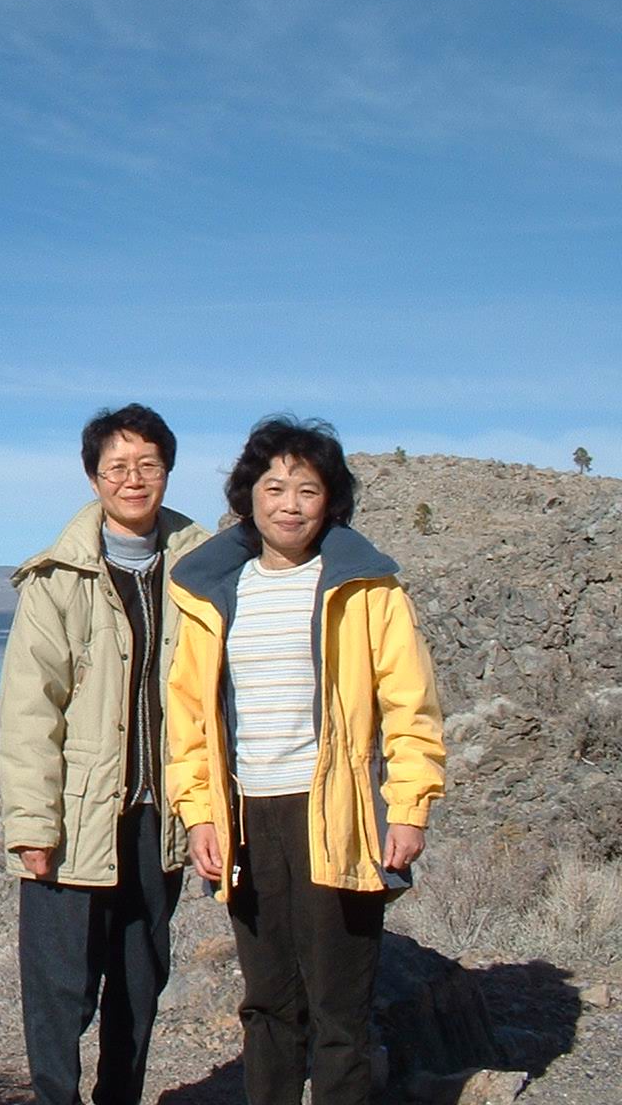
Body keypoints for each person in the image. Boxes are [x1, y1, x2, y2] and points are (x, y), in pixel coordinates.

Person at [165, 416, 446, 1105]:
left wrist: (409, 809)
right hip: (247, 819)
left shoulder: (368, 590)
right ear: (249, 495)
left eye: (308, 490)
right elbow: (191, 719)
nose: (289, 505)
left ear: (331, 502)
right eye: (275, 487)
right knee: (267, 1002)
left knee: (340, 1007)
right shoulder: (215, 596)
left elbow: (411, 707)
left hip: (339, 817)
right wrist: (200, 815)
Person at [0, 403, 210, 1105]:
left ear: (168, 471)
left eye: (148, 464)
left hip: (159, 817)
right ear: (93, 478)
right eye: (117, 466)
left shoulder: (204, 571)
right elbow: (30, 711)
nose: (133, 479)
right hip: (75, 817)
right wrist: (33, 824)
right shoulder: (57, 580)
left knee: (140, 982)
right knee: (60, 992)